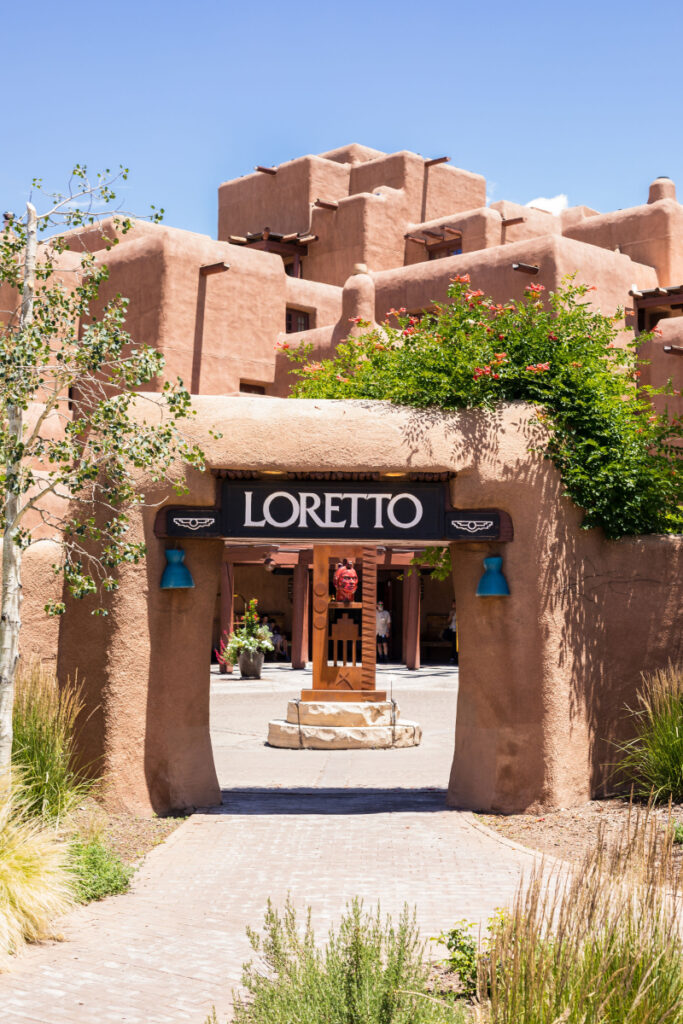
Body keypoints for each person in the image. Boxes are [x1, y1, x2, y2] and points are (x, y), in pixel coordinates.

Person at [442, 600, 458, 664]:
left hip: (458, 630)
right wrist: (451, 615)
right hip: (453, 629)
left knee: (457, 644)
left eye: (454, 604)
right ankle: (453, 658)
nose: (453, 605)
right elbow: (448, 621)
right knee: (454, 644)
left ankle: (455, 658)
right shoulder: (452, 612)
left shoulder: (461, 611)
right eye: (452, 604)